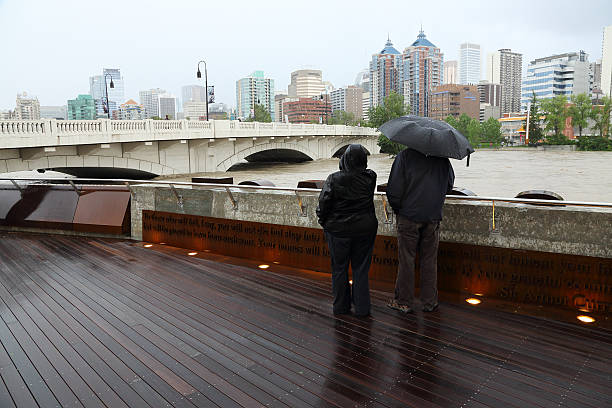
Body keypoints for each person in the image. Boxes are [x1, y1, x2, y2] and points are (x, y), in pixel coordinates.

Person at [386, 148, 455, 313]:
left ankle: (404, 302)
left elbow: (393, 190)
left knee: (406, 260)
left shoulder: (405, 156)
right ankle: (429, 302)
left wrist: (399, 210)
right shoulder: (442, 158)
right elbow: (449, 186)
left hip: (408, 216)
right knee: (429, 260)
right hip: (432, 217)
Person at [316, 144, 378, 317]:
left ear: (345, 159)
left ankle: (341, 307)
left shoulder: (334, 179)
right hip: (365, 229)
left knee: (339, 269)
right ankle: (362, 308)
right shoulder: (371, 177)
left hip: (338, 231)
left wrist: (324, 222)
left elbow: (323, 204)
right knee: (361, 269)